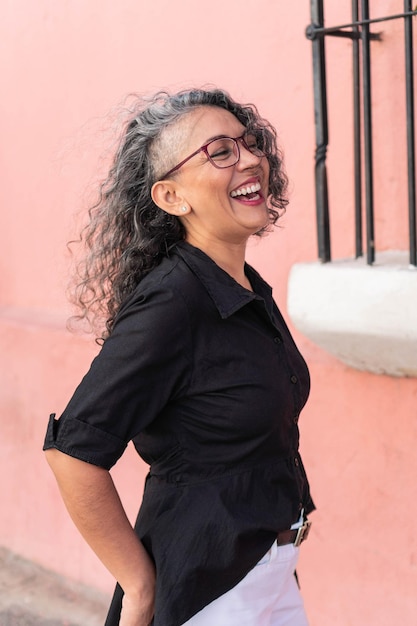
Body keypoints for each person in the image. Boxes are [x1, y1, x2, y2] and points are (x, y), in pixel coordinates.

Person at [43, 87, 315, 626]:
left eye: (250, 142)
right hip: (209, 591)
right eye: (220, 151)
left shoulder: (242, 285)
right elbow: (74, 452)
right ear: (171, 197)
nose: (252, 159)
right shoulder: (173, 300)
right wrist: (139, 584)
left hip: (269, 571)